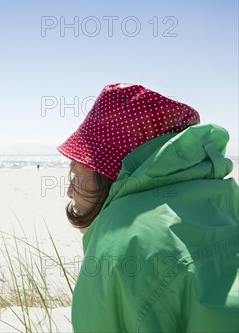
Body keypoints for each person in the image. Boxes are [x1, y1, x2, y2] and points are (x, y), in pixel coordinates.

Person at [56, 83, 238, 332]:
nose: (69, 191)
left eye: (76, 176)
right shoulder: (224, 202)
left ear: (111, 174)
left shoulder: (120, 238)